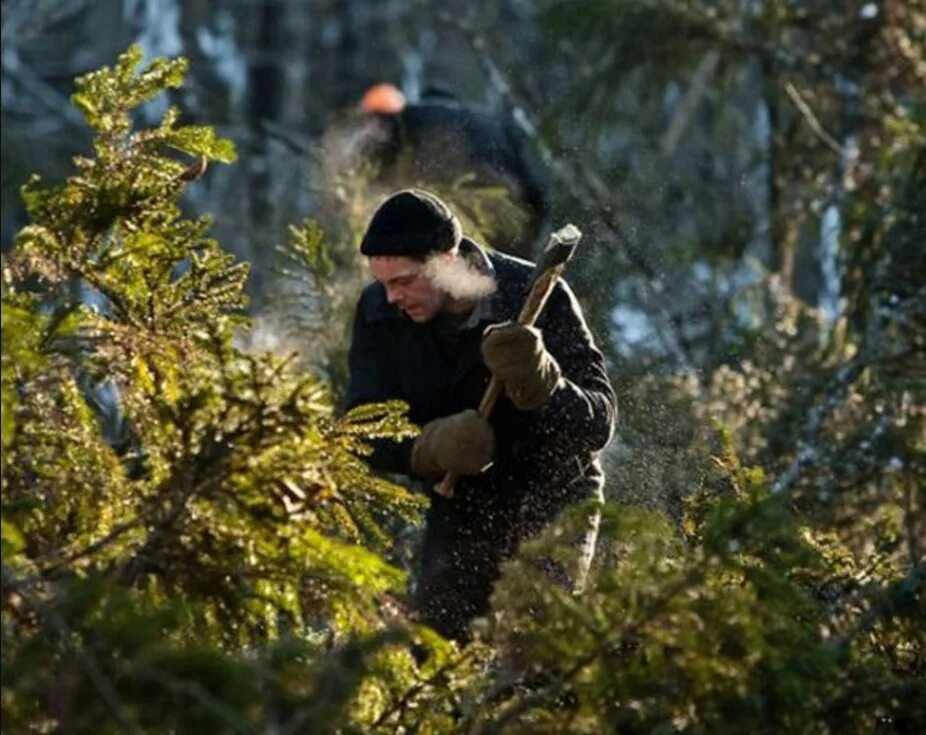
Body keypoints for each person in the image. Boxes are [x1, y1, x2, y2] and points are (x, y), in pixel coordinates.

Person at [346, 189, 616, 642]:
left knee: (536, 649)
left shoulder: (535, 293)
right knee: (437, 649)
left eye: (405, 281)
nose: (392, 297)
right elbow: (361, 431)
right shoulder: (378, 314)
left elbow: (599, 422)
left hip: (552, 493)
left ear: (448, 261)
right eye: (384, 283)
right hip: (462, 501)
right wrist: (427, 447)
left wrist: (542, 382)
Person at [355, 83, 550, 258]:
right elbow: (535, 191)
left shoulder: (407, 117)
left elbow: (377, 170)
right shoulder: (494, 122)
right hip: (508, 218)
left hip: (450, 218)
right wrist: (531, 236)